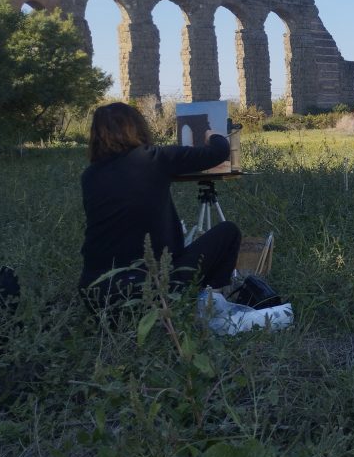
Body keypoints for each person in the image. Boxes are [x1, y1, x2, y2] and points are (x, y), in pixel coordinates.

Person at [77, 102, 241, 315]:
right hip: (149, 288)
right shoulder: (153, 158)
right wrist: (213, 135)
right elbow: (219, 152)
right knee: (228, 232)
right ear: (136, 127)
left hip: (95, 294)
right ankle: (209, 306)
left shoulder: (89, 176)